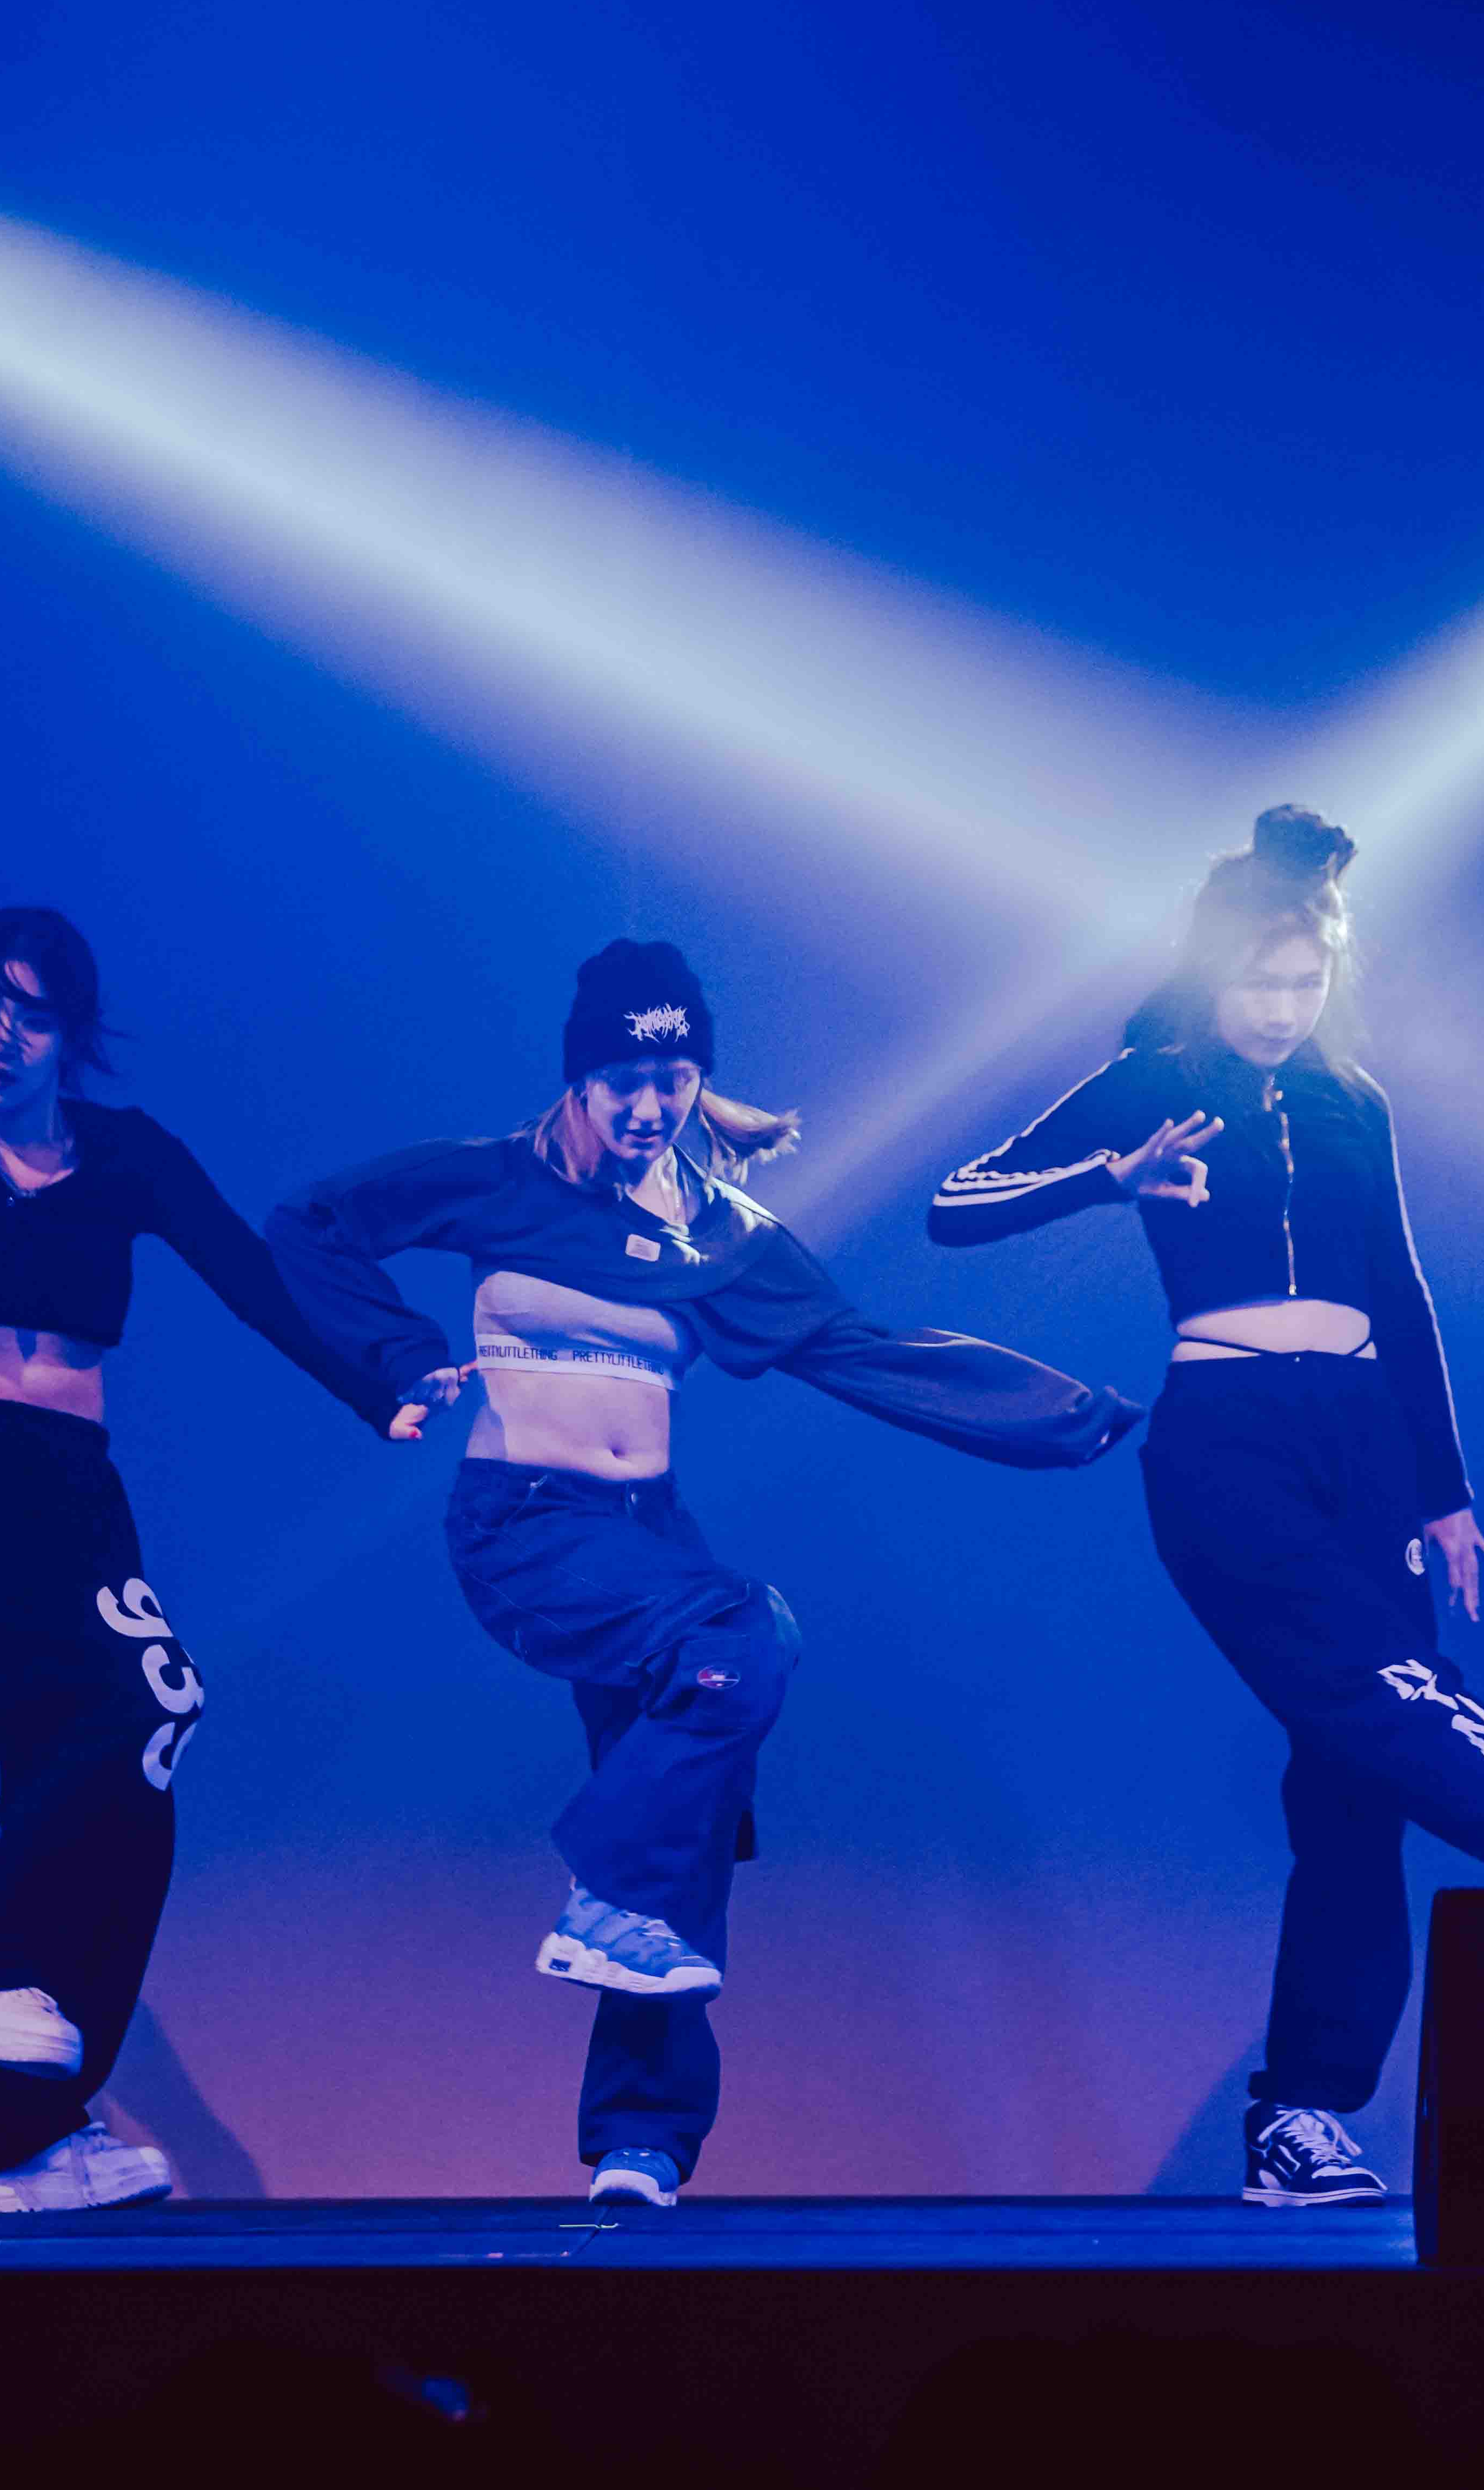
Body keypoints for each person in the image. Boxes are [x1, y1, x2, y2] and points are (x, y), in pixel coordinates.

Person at [930, 806, 1484, 2212]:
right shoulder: (1150, 1081)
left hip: (1361, 1444)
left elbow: (1400, 1292)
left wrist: (1443, 1491)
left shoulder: (1354, 1102)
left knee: (1357, 1786)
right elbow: (957, 1200)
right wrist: (1107, 1178)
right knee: (1375, 1684)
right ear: (1211, 971)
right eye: (1258, 982)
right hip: (1224, 1437)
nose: (1280, 1008)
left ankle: (1299, 2121)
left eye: (1304, 983)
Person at [267, 941, 1141, 2209]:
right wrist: (396, 1360)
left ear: (698, 1079)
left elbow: (866, 1351)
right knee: (744, 1634)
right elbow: (311, 1224)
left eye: (670, 1079)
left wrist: (1063, 1417)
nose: (646, 1106)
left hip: (645, 1539)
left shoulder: (725, 1234)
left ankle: (641, 2139)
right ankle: (607, 1890)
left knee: (689, 1814)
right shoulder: (500, 1181)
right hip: (526, 1525)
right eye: (621, 1080)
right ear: (578, 1078)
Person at [0, 907, 404, 2213]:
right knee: (149, 1704)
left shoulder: (125, 1156)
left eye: (28, 1016)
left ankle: (31, 2139)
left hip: (76, 1495)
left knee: (126, 1791)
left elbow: (248, 1278)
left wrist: (373, 1387)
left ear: (72, 1035)